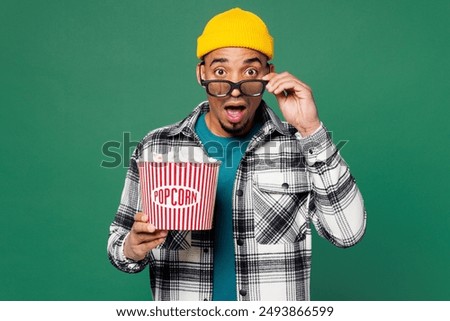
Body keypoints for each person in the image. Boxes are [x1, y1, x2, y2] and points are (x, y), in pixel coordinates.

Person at [108, 7, 366, 301]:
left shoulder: (300, 145)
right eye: (220, 71)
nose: (234, 89)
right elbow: (119, 245)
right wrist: (132, 246)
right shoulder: (157, 147)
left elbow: (348, 232)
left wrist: (310, 129)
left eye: (250, 72)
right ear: (201, 74)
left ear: (269, 76)